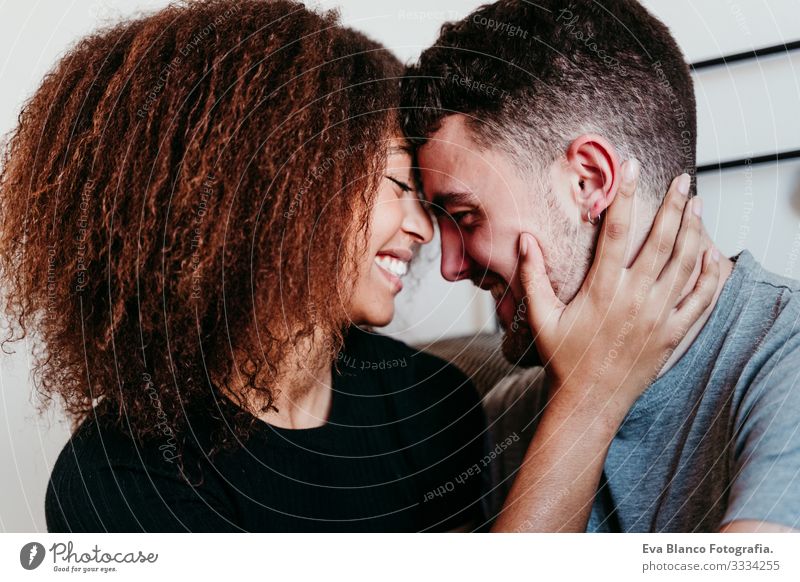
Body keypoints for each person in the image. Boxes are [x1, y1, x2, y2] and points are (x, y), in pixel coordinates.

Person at [0, 0, 713, 532]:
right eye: (399, 186)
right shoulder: (116, 479)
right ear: (275, 187)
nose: (423, 228)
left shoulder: (440, 409)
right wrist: (589, 400)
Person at [401, 0, 800, 532]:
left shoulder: (783, 363)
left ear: (588, 181)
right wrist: (587, 401)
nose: (450, 266)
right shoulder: (506, 422)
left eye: (466, 217)